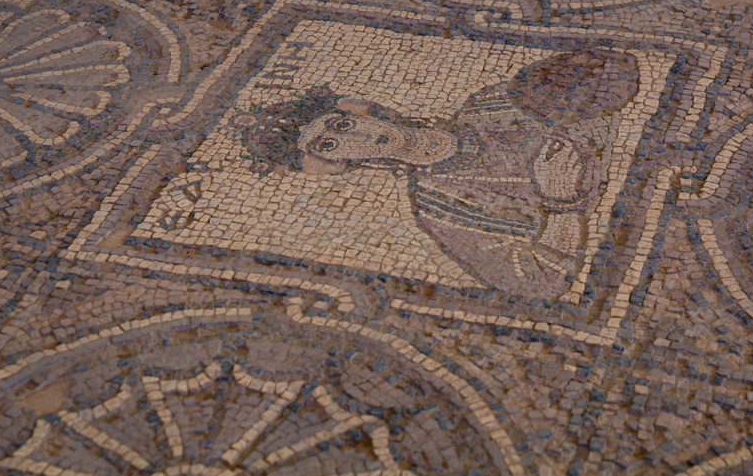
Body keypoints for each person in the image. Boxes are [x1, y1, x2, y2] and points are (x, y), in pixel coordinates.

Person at [237, 48, 638, 299]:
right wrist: (562, 206)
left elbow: (609, 77)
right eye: (329, 144)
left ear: (357, 112)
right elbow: (537, 284)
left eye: (340, 124)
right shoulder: (440, 207)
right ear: (338, 163)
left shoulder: (492, 104)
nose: (358, 135)